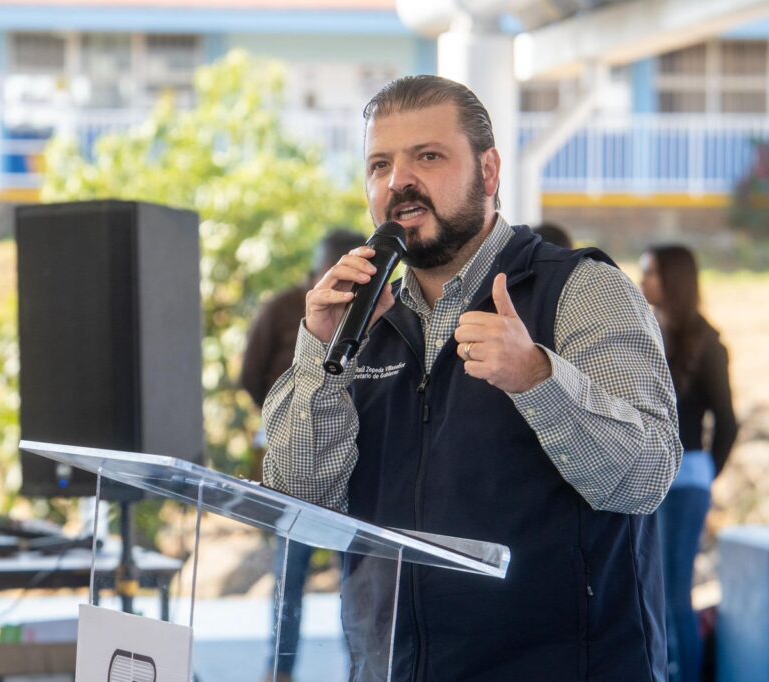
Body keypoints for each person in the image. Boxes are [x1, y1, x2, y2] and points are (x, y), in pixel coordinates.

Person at [262, 74, 682, 681]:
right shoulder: (360, 321)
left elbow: (644, 478)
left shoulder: (582, 291)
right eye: (380, 165)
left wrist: (538, 379)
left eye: (428, 157)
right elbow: (301, 498)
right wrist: (321, 354)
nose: (399, 181)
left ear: (489, 172)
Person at [241, 228, 367, 682]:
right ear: (317, 272)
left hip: (353, 461)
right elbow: (250, 374)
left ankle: (358, 667)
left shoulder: (372, 311)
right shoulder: (282, 308)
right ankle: (280, 669)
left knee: (353, 576)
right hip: (294, 460)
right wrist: (289, 420)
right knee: (290, 573)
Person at [640, 245, 738, 682]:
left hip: (686, 482)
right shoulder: (645, 328)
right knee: (652, 592)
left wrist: (703, 476)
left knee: (674, 595)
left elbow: (727, 421)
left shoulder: (707, 341)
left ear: (674, 279)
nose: (643, 280)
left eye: (652, 272)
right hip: (648, 479)